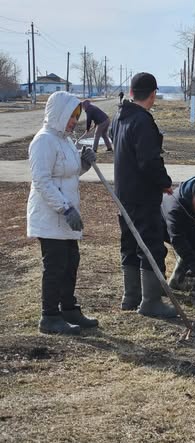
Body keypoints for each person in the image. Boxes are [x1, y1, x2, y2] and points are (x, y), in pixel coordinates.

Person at [27, 91, 99, 335]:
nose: (73, 121)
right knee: (55, 265)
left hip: (66, 214)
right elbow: (42, 180)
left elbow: (68, 173)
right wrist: (65, 208)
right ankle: (49, 316)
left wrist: (84, 164)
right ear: (58, 114)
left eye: (76, 117)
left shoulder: (65, 140)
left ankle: (68, 309)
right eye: (70, 116)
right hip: (50, 216)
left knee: (71, 262)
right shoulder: (43, 141)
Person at [111, 72, 177, 318]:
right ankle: (151, 302)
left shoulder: (120, 117)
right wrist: (164, 182)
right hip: (142, 195)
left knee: (129, 243)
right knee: (151, 245)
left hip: (124, 193)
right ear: (152, 95)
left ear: (131, 92)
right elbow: (148, 160)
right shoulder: (142, 121)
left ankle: (131, 297)